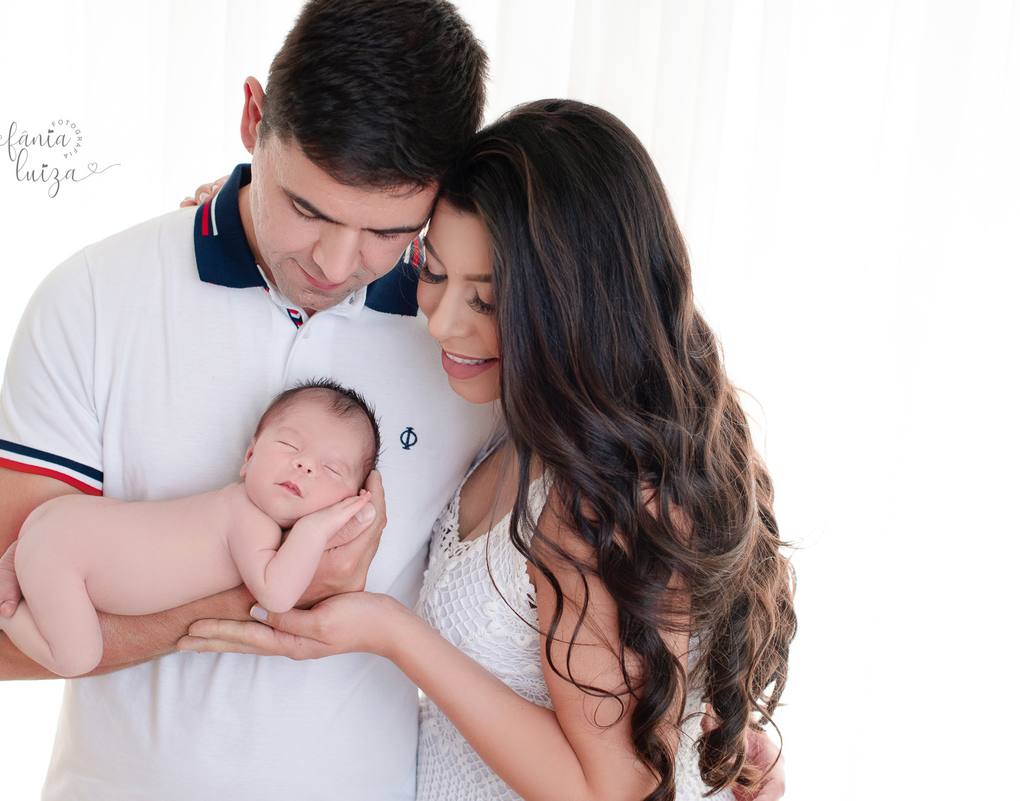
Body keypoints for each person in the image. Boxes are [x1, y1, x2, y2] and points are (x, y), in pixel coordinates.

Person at [0, 2, 499, 798]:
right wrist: (272, 586)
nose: (336, 262)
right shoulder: (95, 297)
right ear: (252, 119)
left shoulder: (469, 346)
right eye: (307, 208)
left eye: (388, 230)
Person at [179, 100, 798, 801]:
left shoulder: (598, 496)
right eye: (434, 271)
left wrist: (393, 633)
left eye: (487, 300)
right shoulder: (519, 420)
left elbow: (614, 790)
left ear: (576, 307)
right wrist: (260, 220)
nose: (442, 322)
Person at [0, 381, 380, 676]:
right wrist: (316, 530)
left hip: (61, 521)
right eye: (290, 446)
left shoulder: (235, 510)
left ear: (351, 500)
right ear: (250, 457)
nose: (304, 465)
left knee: (49, 551)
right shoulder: (248, 518)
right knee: (78, 657)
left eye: (330, 469)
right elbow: (278, 594)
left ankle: (12, 567)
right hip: (67, 559)